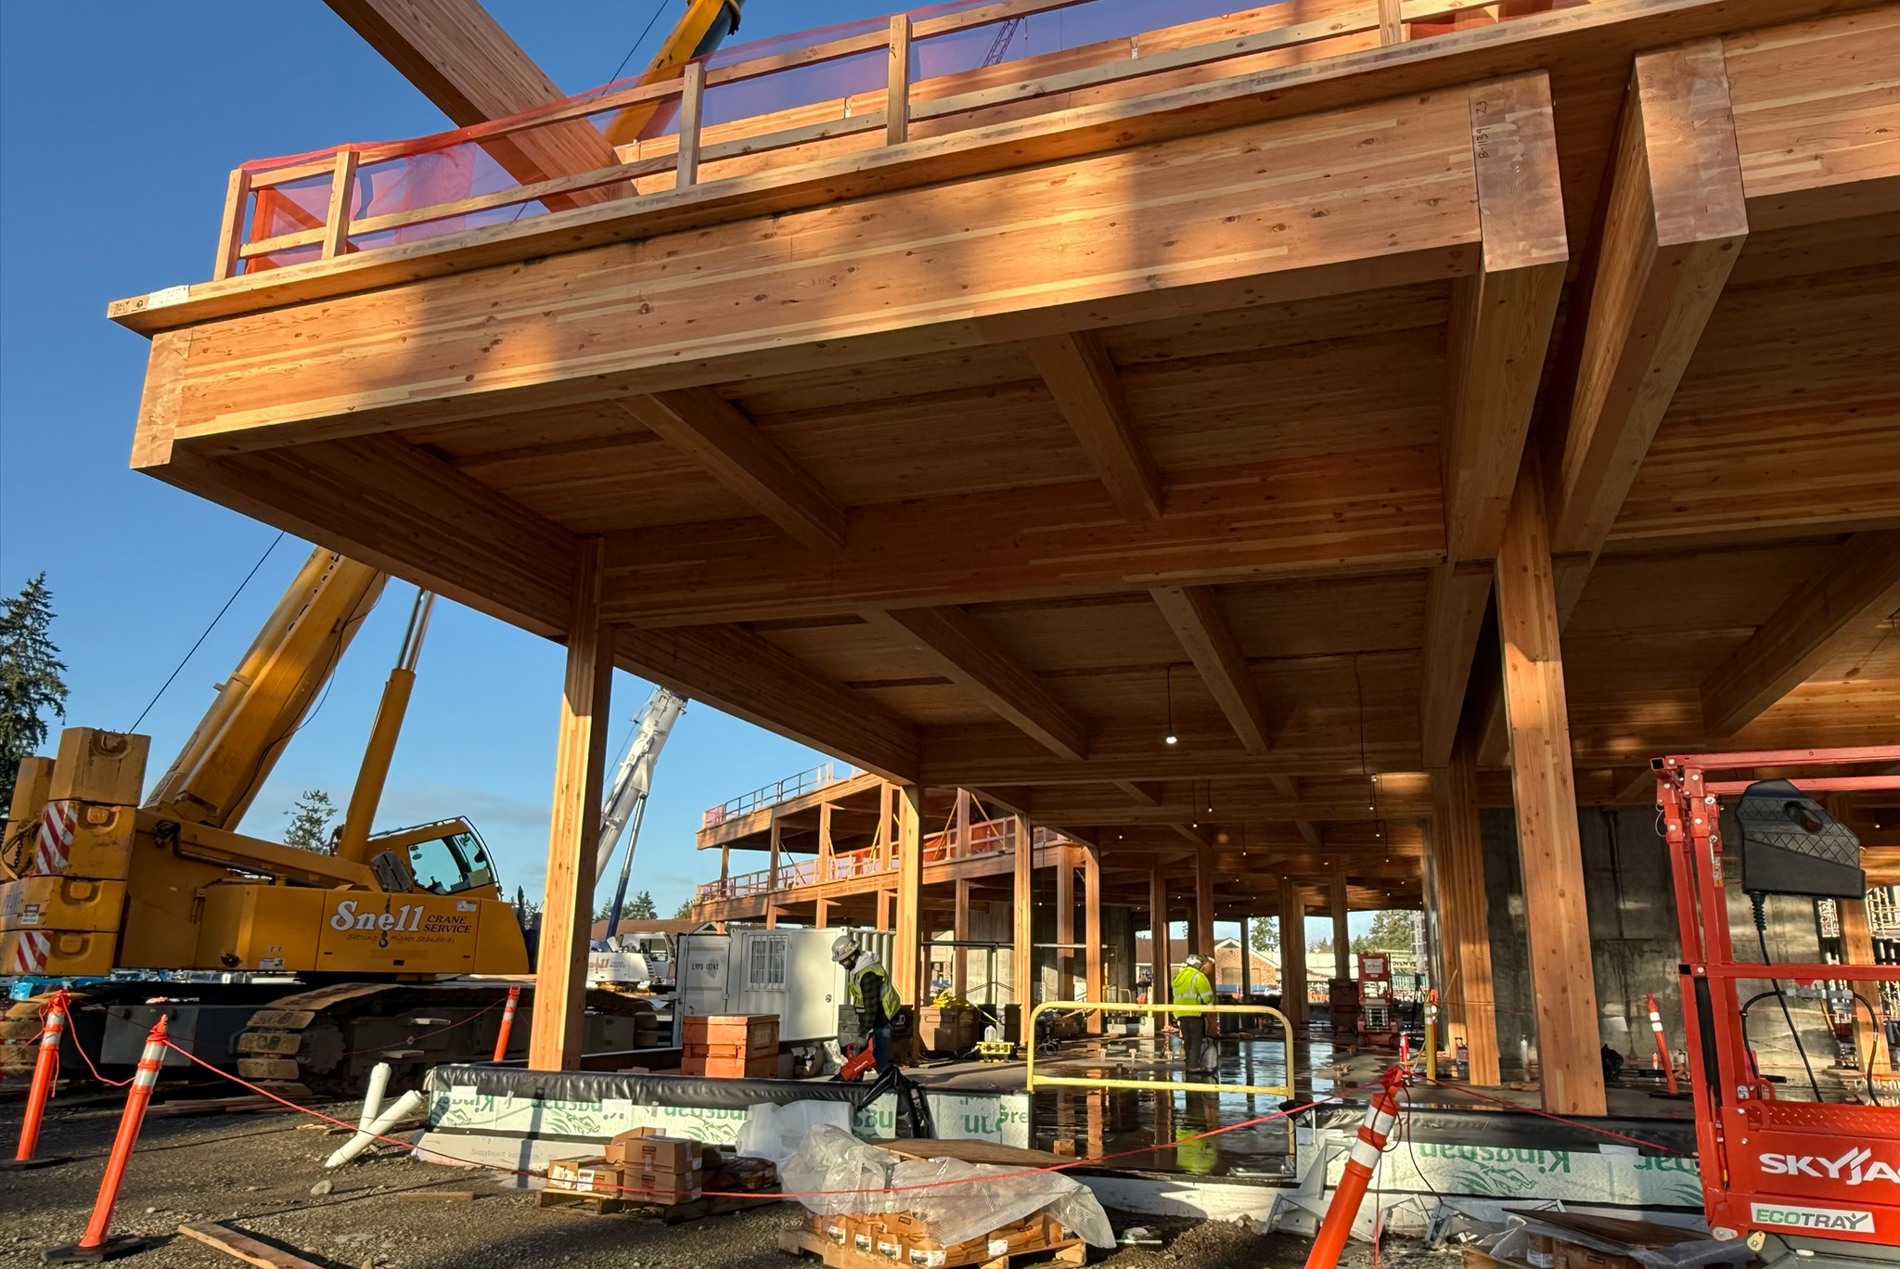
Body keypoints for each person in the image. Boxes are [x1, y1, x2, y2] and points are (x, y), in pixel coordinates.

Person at [833, 932, 901, 1075]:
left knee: (879, 1058)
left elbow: (871, 1006)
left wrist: (863, 1034)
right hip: (874, 1018)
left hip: (883, 1018)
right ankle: (885, 1080)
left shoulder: (868, 975)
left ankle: (893, 1082)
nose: (841, 964)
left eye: (843, 960)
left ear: (852, 956)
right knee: (867, 1056)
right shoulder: (859, 970)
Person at [1170, 953, 1217, 1075]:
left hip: (1181, 1013)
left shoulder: (1179, 976)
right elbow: (1207, 997)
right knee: (1196, 1040)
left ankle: (1189, 1064)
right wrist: (1210, 1004)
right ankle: (1194, 1066)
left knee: (1188, 1040)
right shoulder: (1198, 976)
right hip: (1194, 1013)